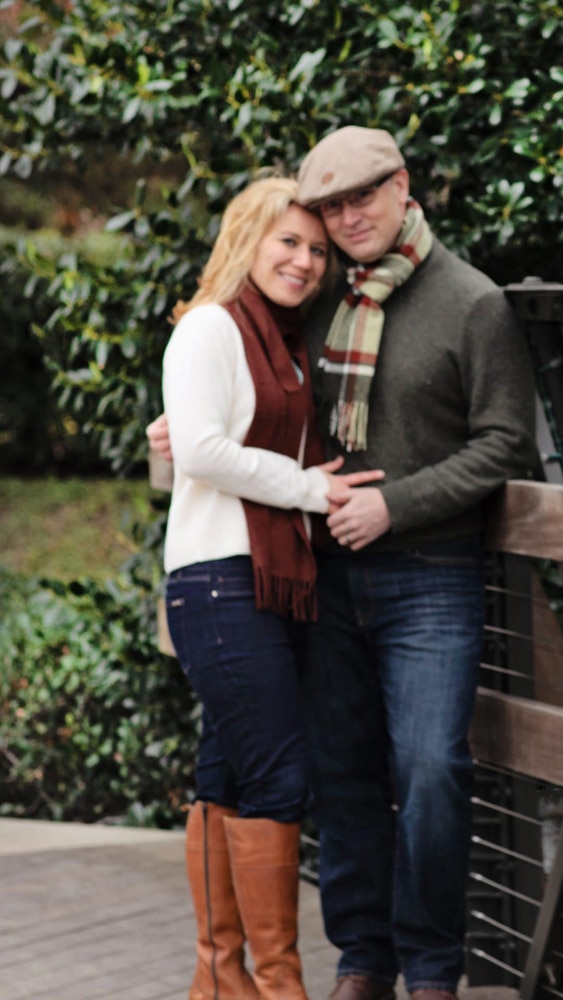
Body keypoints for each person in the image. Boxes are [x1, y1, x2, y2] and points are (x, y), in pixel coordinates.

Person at [158, 127, 537, 1000]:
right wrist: (178, 433)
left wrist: (393, 503)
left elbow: (502, 443)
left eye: (363, 195)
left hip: (430, 574)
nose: (347, 217)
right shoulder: (316, 301)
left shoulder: (471, 302)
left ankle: (434, 970)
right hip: (321, 576)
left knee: (433, 769)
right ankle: (362, 960)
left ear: (403, 187)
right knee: (339, 769)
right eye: (331, 207)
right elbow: (257, 396)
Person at [163, 177, 386, 1000]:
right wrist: (309, 489)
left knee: (228, 776)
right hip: (218, 580)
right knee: (282, 777)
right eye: (287, 241)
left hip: (273, 579)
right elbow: (202, 452)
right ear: (247, 238)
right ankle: (279, 985)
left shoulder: (286, 344)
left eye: (317, 250)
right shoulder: (211, 329)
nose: (304, 260)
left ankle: (220, 982)